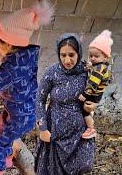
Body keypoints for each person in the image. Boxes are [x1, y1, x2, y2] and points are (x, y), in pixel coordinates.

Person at [0, 0, 54, 174]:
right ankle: (7, 158)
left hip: (21, 115)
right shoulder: (27, 55)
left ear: (8, 43)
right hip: (22, 109)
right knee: (0, 131)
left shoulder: (12, 66)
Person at [35, 34, 97, 174]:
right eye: (63, 55)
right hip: (55, 133)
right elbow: (39, 99)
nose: (67, 60)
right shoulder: (52, 72)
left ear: (79, 53)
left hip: (79, 133)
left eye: (71, 55)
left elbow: (96, 91)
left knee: (84, 165)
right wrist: (43, 127)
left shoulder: (86, 71)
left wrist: (94, 105)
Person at [78, 30, 113, 139]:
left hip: (93, 94)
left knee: (85, 111)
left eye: (96, 56)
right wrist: (90, 67)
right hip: (97, 94)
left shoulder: (99, 69)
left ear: (105, 57)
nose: (92, 58)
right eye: (91, 56)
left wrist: (84, 94)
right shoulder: (102, 66)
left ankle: (91, 129)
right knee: (88, 109)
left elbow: (93, 83)